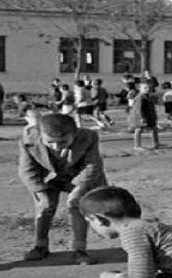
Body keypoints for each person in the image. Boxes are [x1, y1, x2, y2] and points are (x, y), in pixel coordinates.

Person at [18, 113, 107, 265]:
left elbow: (92, 166)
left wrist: (78, 189)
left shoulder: (89, 137)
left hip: (78, 176)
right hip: (47, 177)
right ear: (40, 135)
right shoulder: (28, 140)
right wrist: (40, 191)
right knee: (45, 208)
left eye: (63, 142)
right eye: (50, 142)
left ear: (75, 134)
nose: (56, 146)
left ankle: (80, 249)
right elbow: (27, 170)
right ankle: (40, 246)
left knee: (77, 206)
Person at [128, 80, 160, 151]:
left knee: (154, 128)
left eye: (149, 88)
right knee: (139, 129)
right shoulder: (141, 97)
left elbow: (152, 107)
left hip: (149, 116)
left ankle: (156, 143)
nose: (147, 89)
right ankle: (137, 146)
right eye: (145, 88)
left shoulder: (148, 96)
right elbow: (138, 109)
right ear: (140, 89)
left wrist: (154, 115)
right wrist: (142, 118)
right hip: (140, 117)